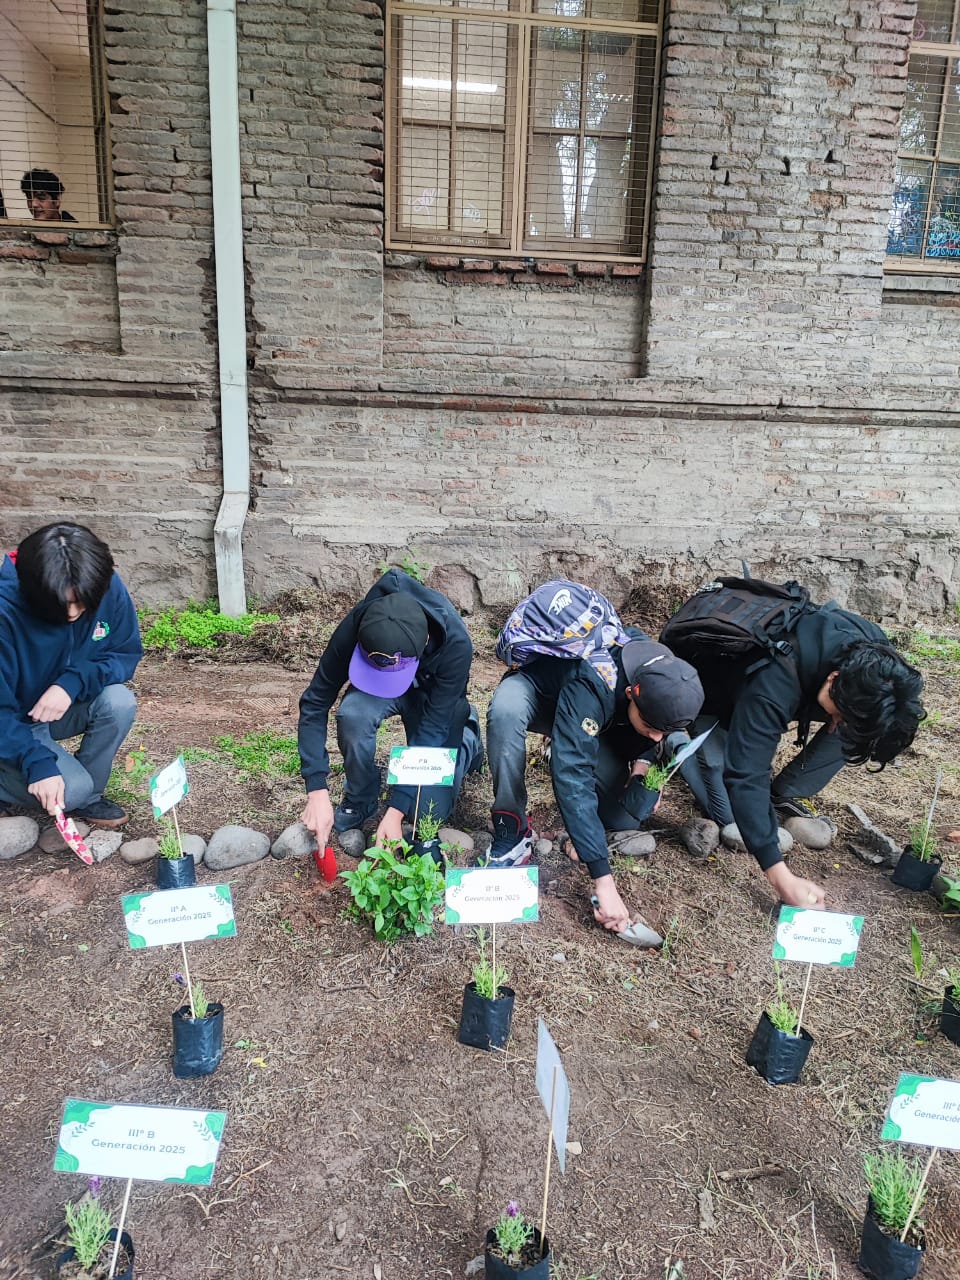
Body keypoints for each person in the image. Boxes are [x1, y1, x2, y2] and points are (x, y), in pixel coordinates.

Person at [664, 597, 925, 908]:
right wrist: (782, 877)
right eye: (837, 715)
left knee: (860, 730)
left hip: (790, 688)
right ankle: (673, 739)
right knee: (730, 815)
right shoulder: (775, 682)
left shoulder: (875, 662)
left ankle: (782, 792)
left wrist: (853, 724)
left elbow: (879, 715)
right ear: (834, 678)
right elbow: (746, 775)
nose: (833, 726)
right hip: (714, 695)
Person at [485, 586, 703, 934]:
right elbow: (572, 775)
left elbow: (653, 728)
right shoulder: (596, 680)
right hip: (542, 692)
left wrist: (644, 761)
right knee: (505, 712)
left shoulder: (659, 668)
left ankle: (585, 802)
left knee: (622, 815)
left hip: (594, 717)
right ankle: (512, 826)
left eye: (662, 731)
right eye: (651, 727)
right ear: (631, 693)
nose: (657, 737)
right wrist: (603, 879)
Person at [298, 569, 483, 850]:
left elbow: (433, 729)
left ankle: (469, 738)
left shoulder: (456, 644)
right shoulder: (361, 623)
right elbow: (315, 700)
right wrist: (316, 789)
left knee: (426, 814)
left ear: (424, 643)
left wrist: (397, 810)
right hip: (380, 687)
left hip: (434, 702)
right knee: (353, 714)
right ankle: (361, 797)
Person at [0, 523, 143, 828]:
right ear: (32, 589)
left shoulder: (100, 584)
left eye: (82, 603)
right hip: (11, 721)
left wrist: (71, 683)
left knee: (118, 702)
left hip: (54, 710)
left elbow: (124, 653)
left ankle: (88, 798)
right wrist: (36, 761)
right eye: (62, 603)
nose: (72, 613)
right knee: (71, 789)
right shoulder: (5, 611)